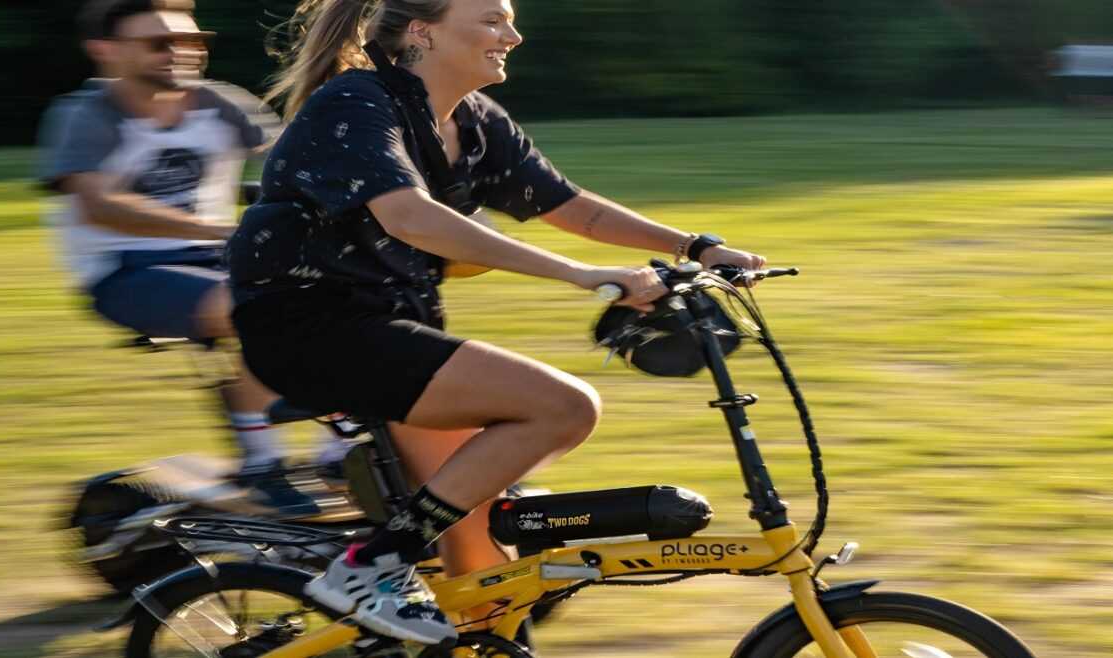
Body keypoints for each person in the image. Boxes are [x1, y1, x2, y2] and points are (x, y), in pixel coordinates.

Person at [226, 0, 766, 645]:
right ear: (423, 31)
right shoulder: (358, 102)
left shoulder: (475, 122)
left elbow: (570, 207)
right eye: (490, 20)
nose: (513, 34)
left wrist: (697, 247)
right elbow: (411, 217)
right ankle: (372, 564)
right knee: (562, 407)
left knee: (481, 548)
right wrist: (583, 275)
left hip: (393, 330)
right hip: (313, 329)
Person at [36, 0, 348, 515]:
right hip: (127, 270)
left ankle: (339, 453)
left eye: (193, 41)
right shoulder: (86, 114)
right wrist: (225, 227)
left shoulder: (219, 102)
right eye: (159, 43)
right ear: (105, 50)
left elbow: (298, 159)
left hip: (223, 260)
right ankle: (263, 464)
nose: (181, 52)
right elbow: (100, 206)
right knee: (256, 309)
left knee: (352, 292)